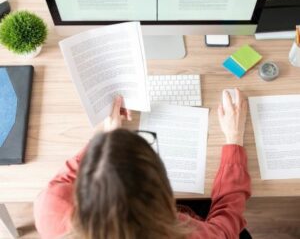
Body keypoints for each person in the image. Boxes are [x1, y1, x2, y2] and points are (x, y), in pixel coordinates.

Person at [34, 89, 251, 239]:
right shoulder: (184, 233)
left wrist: (108, 140)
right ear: (162, 196)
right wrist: (234, 140)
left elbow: (63, 180)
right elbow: (224, 230)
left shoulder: (51, 207)